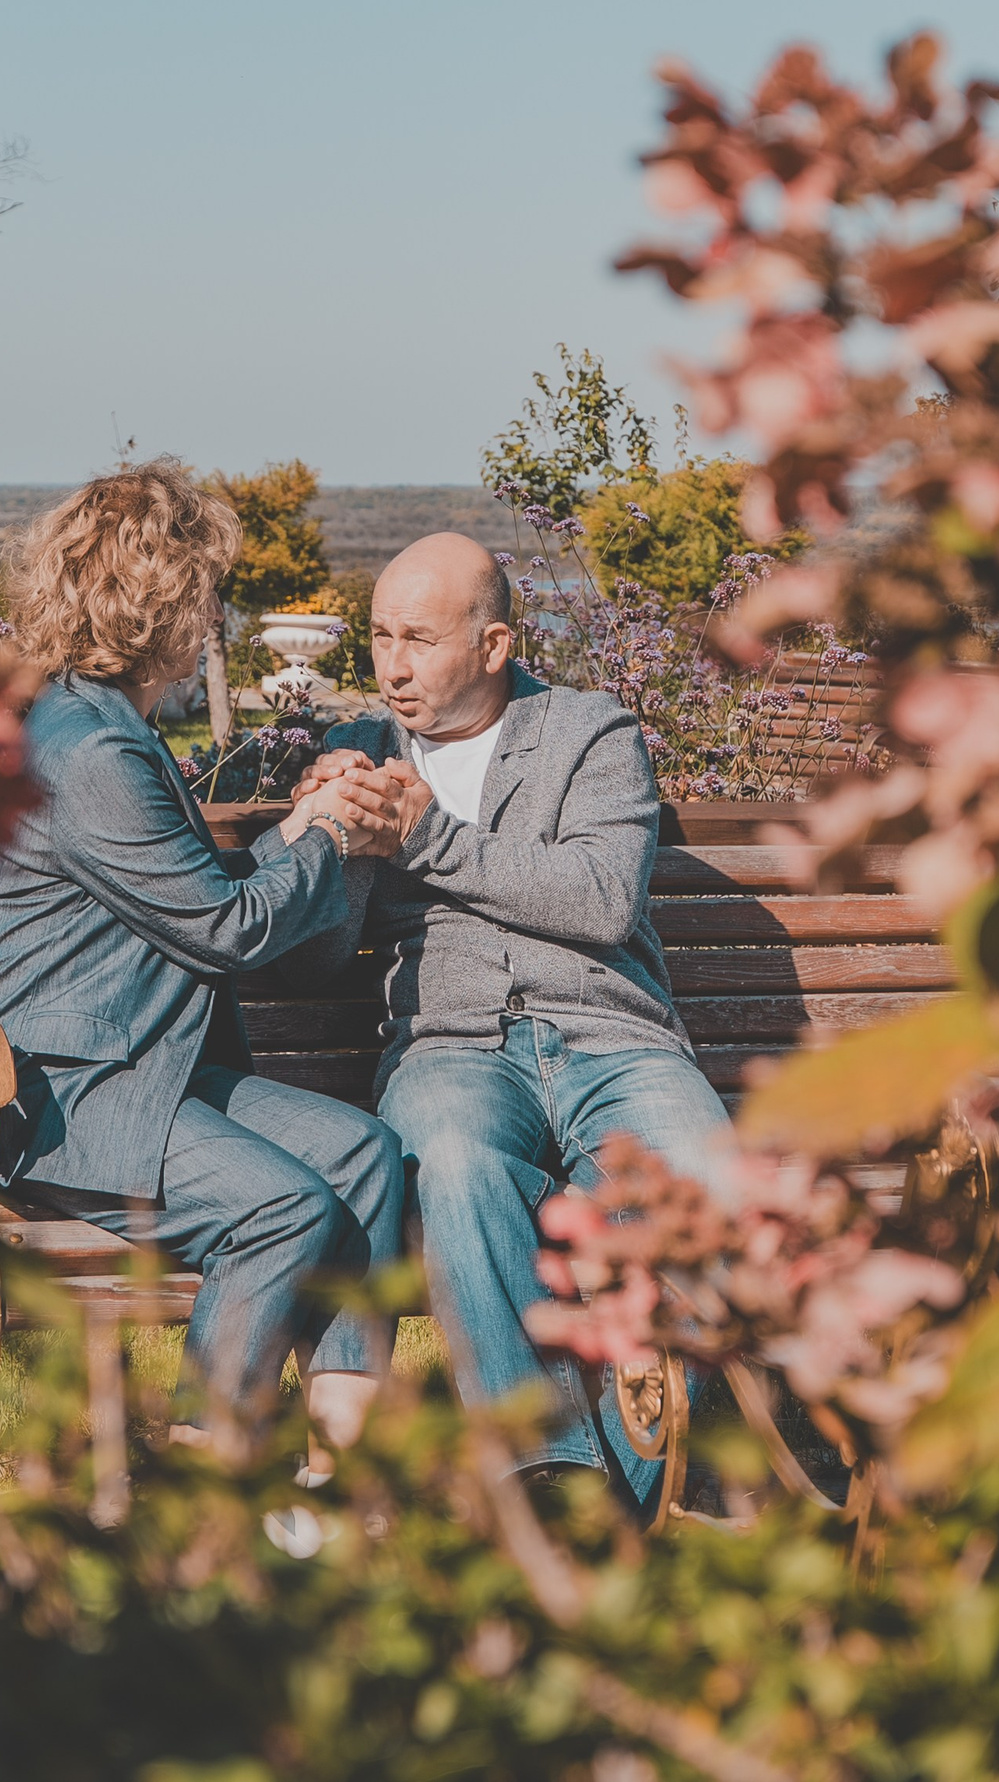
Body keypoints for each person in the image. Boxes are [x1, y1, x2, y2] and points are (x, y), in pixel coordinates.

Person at [0, 460, 422, 1461]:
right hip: (56, 1096)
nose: (216, 612)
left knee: (364, 1155)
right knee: (279, 1207)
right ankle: (211, 1452)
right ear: (156, 599)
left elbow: (195, 901)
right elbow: (225, 929)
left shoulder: (107, 726)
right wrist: (323, 833)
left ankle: (340, 1465)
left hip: (145, 1075)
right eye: (205, 590)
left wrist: (308, 823)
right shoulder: (96, 755)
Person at [278, 531, 727, 1507]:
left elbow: (601, 899)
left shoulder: (589, 734)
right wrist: (316, 845)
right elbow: (316, 954)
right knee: (454, 1165)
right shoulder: (362, 751)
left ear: (491, 646)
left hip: (614, 1041)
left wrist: (423, 838)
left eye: (420, 640)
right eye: (379, 636)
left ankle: (647, 1481)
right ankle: (550, 1478)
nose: (391, 665)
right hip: (454, 1050)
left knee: (705, 1182)